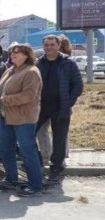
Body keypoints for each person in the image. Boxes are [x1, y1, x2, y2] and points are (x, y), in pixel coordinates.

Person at [0, 43, 44, 197]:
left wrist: (2, 101)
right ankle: (11, 179)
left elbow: (28, 96)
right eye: (12, 53)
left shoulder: (31, 72)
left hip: (24, 118)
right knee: (6, 150)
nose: (13, 55)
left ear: (27, 55)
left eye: (17, 53)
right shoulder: (10, 70)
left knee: (27, 151)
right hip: (5, 116)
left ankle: (35, 186)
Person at [35, 35, 83, 182]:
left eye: (52, 44)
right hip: (40, 106)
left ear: (58, 45)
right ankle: (37, 161)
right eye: (46, 45)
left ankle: (56, 167)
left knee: (59, 138)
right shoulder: (38, 63)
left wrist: (68, 102)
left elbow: (78, 85)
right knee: (30, 133)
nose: (49, 47)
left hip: (60, 106)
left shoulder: (68, 64)